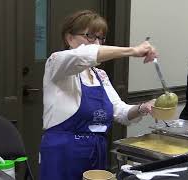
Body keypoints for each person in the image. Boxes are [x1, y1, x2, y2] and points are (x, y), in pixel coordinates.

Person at [40, 10, 157, 180]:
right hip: (63, 153)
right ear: (69, 38)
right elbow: (84, 55)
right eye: (90, 36)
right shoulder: (57, 63)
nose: (96, 43)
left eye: (100, 38)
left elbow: (120, 112)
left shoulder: (99, 75)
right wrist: (133, 50)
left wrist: (142, 108)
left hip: (96, 151)